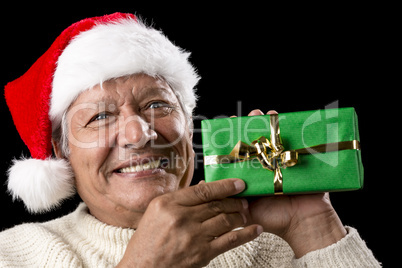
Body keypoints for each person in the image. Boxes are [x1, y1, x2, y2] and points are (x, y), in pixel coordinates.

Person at [0, 12, 380, 267]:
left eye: (156, 105)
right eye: (100, 117)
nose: (139, 133)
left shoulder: (278, 245)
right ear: (61, 153)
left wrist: (311, 228)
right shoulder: (15, 255)